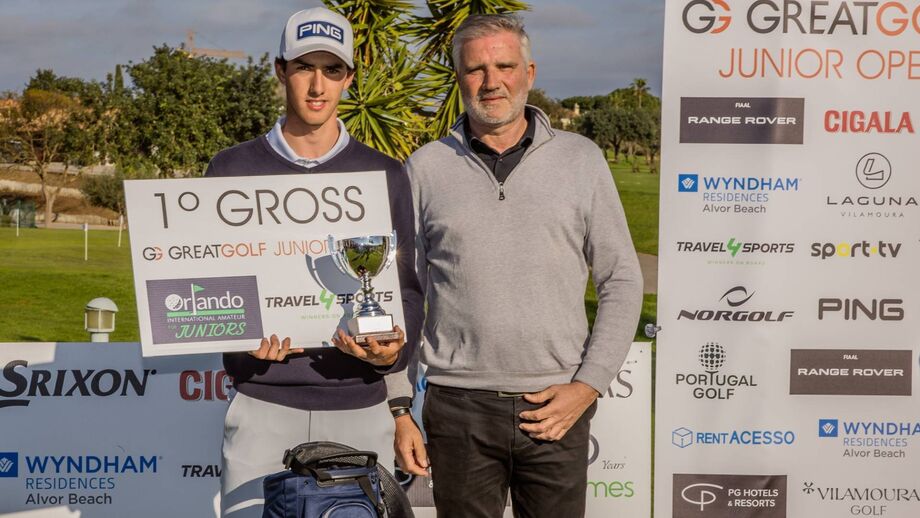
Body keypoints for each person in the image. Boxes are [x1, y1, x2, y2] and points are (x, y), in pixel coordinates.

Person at [393, 13, 643, 517]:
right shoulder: (424, 167)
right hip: (457, 407)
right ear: (459, 77)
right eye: (475, 69)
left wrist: (588, 384)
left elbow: (621, 277)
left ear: (529, 71)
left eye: (504, 65)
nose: (491, 81)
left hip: (554, 406)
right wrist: (399, 404)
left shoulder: (581, 160)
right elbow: (402, 291)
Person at [204, 7, 423, 517]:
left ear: (348, 77)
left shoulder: (384, 173)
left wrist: (390, 352)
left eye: (333, 70)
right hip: (262, 404)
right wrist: (240, 339)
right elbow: (210, 285)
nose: (318, 85)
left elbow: (407, 287)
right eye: (305, 67)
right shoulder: (230, 168)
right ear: (281, 71)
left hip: (359, 405)